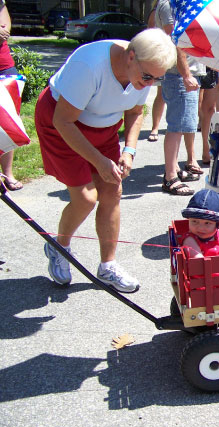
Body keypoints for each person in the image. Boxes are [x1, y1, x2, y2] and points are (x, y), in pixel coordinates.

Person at [34, 29, 177, 292]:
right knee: (85, 197)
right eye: (147, 77)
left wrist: (129, 151)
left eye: (157, 80)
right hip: (63, 124)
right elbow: (62, 121)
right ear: (130, 56)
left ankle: (108, 266)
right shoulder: (89, 66)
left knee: (113, 190)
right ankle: (58, 247)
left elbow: (135, 112)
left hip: (103, 126)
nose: (149, 84)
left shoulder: (143, 73)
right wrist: (100, 161)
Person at [155, 0, 205, 195]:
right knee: (176, 126)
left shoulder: (182, 4)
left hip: (186, 73)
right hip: (178, 75)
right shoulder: (169, 5)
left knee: (184, 124)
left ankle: (174, 168)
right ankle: (170, 178)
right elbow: (175, 39)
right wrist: (186, 75)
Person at [0, 0, 22, 191]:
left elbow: (3, 13)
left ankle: (8, 173)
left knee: (8, 122)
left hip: (4, 66)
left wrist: (4, 29)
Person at [181, 189, 219, 258]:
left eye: (207, 223)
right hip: (203, 268)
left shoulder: (218, 234)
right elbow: (198, 261)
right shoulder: (190, 240)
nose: (200, 228)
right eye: (194, 221)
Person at [147, 0, 164, 143]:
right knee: (161, 94)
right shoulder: (157, 10)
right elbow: (149, 33)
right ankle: (155, 127)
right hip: (162, 54)